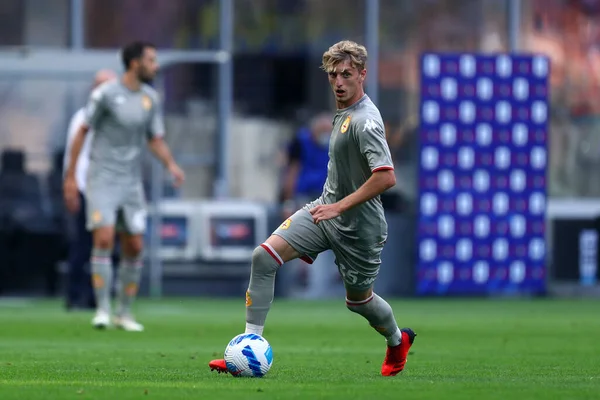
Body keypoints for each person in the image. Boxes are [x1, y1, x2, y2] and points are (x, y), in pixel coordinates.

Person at [209, 40, 416, 376]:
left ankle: (397, 340)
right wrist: (330, 206)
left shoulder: (366, 122)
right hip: (323, 210)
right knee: (263, 257)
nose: (338, 81)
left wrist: (340, 208)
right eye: (333, 74)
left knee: (359, 302)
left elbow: (386, 177)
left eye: (346, 74)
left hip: (359, 226)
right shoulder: (342, 112)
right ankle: (249, 346)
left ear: (362, 74)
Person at [63, 41, 185, 331]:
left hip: (131, 182)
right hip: (102, 178)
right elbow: (82, 131)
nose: (156, 66)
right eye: (152, 61)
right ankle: (102, 309)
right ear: (135, 63)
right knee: (103, 239)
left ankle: (124, 313)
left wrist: (171, 165)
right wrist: (70, 177)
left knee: (135, 245)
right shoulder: (106, 94)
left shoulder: (149, 99)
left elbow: (154, 138)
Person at [63, 69, 117, 311]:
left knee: (109, 246)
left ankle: (100, 297)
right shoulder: (82, 118)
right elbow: (73, 156)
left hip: (113, 192)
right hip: (88, 190)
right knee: (83, 246)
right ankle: (75, 296)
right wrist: (71, 183)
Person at [280, 112, 340, 299]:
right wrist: (288, 201)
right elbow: (292, 171)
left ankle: (340, 268)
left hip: (330, 195)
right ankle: (303, 271)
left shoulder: (337, 144)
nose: (325, 135)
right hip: (305, 195)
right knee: (302, 232)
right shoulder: (301, 143)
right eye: (322, 130)